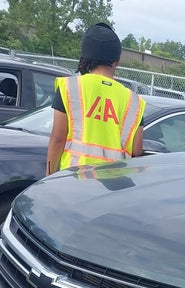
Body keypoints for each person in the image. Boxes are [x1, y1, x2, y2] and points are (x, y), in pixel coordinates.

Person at [46, 23, 145, 176]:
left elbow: (58, 138)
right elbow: (136, 150)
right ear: (116, 61)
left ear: (85, 57)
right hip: (114, 185)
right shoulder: (134, 101)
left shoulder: (70, 87)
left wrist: (49, 177)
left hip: (74, 179)